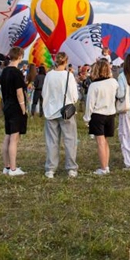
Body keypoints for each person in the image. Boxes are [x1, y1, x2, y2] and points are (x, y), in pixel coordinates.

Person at [41, 51, 80, 179]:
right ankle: (71, 168)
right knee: (70, 140)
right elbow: (74, 95)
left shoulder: (49, 75)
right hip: (66, 111)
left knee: (52, 141)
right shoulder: (69, 75)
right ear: (66, 62)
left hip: (51, 111)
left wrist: (47, 106)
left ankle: (50, 169)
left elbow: (44, 93)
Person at [84, 60, 118, 174]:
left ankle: (103, 168)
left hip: (98, 115)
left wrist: (87, 118)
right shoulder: (113, 82)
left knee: (100, 142)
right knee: (105, 141)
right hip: (110, 114)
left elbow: (90, 104)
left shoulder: (94, 85)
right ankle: (106, 166)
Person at [0, 47, 27, 176]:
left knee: (8, 136)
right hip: (16, 107)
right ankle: (13, 169)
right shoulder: (16, 73)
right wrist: (23, 109)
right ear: (20, 56)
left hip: (7, 105)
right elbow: (19, 93)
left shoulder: (4, 71)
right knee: (14, 138)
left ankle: (6, 166)